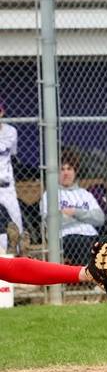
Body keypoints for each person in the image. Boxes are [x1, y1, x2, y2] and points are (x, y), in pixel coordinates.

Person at [40, 149, 105, 267]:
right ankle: (93, 278)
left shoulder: (85, 194)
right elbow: (51, 223)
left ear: (75, 172)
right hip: (65, 237)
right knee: (82, 243)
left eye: (69, 169)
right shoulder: (50, 194)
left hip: (91, 235)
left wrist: (74, 212)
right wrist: (86, 217)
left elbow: (100, 219)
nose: (66, 173)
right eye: (62, 169)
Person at [0, 99, 24, 255]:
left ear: (1, 113)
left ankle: (19, 254)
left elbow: (12, 154)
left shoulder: (11, 132)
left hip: (7, 186)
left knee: (17, 223)